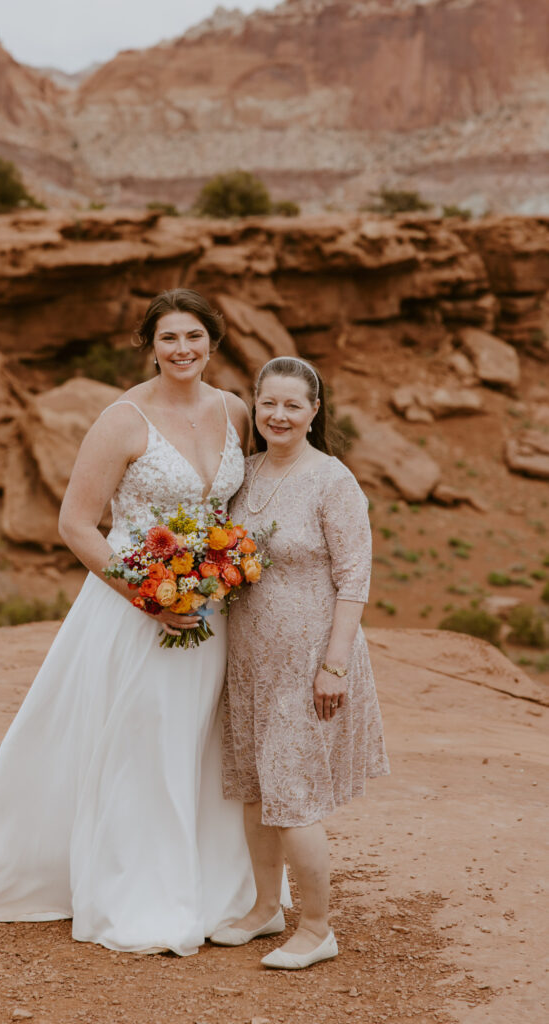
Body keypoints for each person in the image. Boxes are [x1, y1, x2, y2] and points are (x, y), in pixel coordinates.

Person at [0, 288, 258, 956]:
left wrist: (228, 571)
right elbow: (75, 523)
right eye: (168, 338)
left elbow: (237, 509)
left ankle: (216, 888)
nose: (182, 350)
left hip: (214, 609)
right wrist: (148, 597)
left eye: (194, 337)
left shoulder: (233, 410)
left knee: (205, 744)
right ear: (148, 343)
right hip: (136, 610)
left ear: (213, 342)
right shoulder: (121, 420)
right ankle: (137, 891)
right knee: (142, 743)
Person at [211, 356, 390, 969]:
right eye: (269, 404)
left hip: (311, 660)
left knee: (293, 792)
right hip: (251, 659)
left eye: (294, 405)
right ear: (255, 407)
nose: (279, 415)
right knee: (257, 790)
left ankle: (317, 929)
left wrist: (333, 665)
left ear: (315, 412)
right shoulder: (247, 471)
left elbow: (354, 577)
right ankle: (265, 910)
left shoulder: (334, 481)